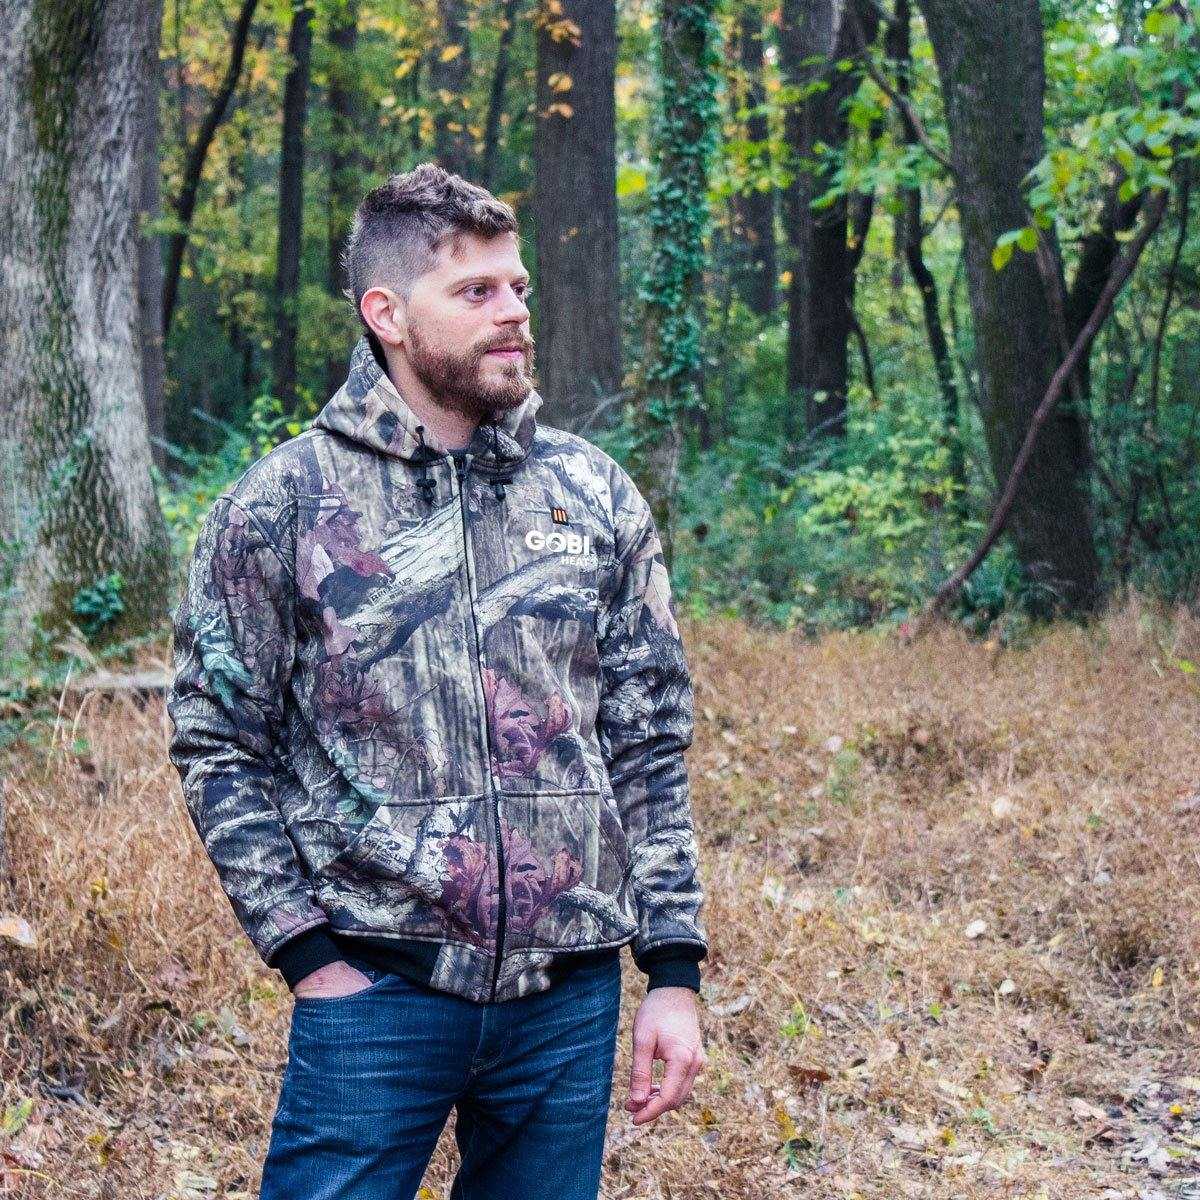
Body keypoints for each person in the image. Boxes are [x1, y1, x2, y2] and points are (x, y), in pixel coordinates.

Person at [165, 162, 709, 1200]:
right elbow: (216, 741)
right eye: (475, 293)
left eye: (517, 288)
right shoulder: (281, 506)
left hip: (568, 995)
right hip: (377, 992)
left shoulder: (591, 494)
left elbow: (648, 737)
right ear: (388, 315)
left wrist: (672, 974)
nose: (513, 314)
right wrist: (309, 956)